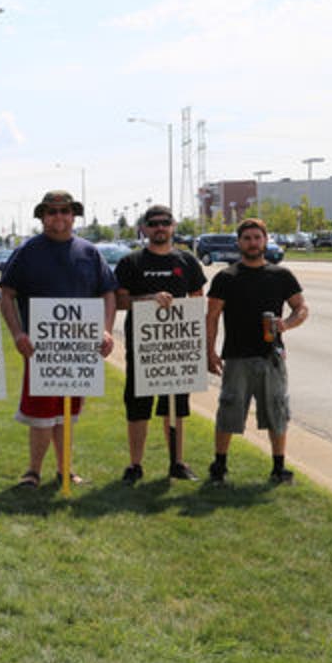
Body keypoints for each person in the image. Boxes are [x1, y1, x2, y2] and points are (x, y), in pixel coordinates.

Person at [0, 190, 117, 489]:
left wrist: (105, 329)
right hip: (41, 349)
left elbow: (108, 292)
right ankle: (33, 471)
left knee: (67, 414)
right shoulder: (28, 252)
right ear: (42, 217)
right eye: (52, 212)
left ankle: (65, 470)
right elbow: (7, 294)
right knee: (41, 414)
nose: (59, 217)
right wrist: (17, 334)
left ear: (73, 215)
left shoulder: (90, 252)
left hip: (79, 349)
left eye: (65, 211)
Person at [205, 217, 308, 486]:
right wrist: (210, 351)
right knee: (229, 409)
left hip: (271, 357)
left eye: (257, 238)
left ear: (266, 240)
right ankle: (219, 466)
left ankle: (279, 468)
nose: (253, 243)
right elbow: (212, 317)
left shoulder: (281, 275)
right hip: (237, 356)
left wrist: (285, 324)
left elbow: (302, 308)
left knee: (277, 410)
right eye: (247, 238)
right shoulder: (226, 278)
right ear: (239, 242)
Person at [114, 205, 206, 483]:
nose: (159, 227)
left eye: (165, 222)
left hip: (176, 349)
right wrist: (146, 300)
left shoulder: (187, 261)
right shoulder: (131, 263)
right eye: (153, 223)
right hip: (143, 348)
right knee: (138, 407)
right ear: (144, 228)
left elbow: (197, 297)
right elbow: (119, 301)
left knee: (175, 407)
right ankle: (135, 465)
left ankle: (177, 462)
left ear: (174, 226)